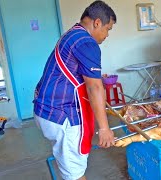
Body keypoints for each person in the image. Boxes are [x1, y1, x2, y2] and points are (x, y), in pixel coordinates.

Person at [33, 1, 116, 180]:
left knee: (67, 164)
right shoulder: (87, 43)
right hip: (62, 116)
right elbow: (94, 87)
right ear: (97, 23)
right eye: (108, 29)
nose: (107, 34)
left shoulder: (71, 34)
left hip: (46, 110)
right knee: (75, 175)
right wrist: (104, 128)